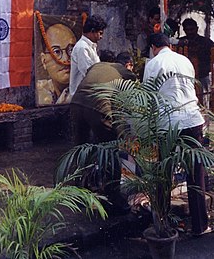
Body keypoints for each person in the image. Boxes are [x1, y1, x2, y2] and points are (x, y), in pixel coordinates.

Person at [143, 33, 210, 236]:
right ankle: (200, 226)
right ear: (168, 45)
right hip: (192, 120)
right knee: (196, 174)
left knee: (164, 172)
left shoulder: (152, 64)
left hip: (168, 124)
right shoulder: (185, 60)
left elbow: (148, 96)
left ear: (154, 47)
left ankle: (163, 225)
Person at [70, 54, 136, 214]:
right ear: (128, 65)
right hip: (98, 107)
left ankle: (76, 193)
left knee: (81, 149)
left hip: (76, 104)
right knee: (111, 149)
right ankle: (113, 197)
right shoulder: (123, 71)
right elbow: (128, 103)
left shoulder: (97, 65)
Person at [37, 23, 77, 105]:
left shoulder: (82, 91)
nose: (66, 59)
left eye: (71, 50)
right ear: (44, 61)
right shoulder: (40, 90)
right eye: (56, 52)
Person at [178, 18, 214, 107]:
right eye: (187, 30)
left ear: (197, 28)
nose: (190, 32)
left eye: (192, 29)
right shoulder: (180, 42)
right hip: (186, 77)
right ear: (184, 30)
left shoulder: (206, 42)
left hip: (203, 75)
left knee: (206, 98)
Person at [69, 15, 106, 97]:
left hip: (89, 94)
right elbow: (89, 73)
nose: (101, 37)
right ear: (92, 31)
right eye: (100, 33)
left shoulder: (90, 46)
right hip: (82, 96)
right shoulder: (82, 47)